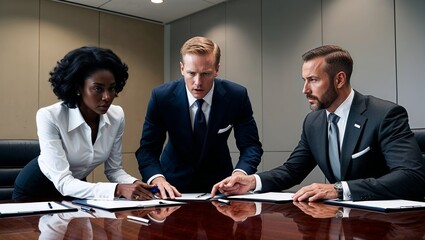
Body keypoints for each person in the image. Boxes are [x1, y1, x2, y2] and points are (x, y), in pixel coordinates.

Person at [211, 45, 425, 201]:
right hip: (343, 219)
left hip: (389, 225)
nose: (305, 89)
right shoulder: (313, 122)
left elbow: (412, 177)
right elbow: (292, 170)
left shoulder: (385, 115)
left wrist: (340, 189)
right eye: (304, 80)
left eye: (313, 80)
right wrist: (251, 182)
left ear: (339, 80)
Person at [13, 46, 155, 201]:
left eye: (112, 88)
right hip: (36, 190)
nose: (107, 97)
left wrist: (139, 186)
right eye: (98, 89)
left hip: (79, 189)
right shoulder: (49, 116)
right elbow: (63, 182)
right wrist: (118, 189)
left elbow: (114, 170)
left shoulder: (116, 115)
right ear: (79, 87)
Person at [135, 36, 263, 198]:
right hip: (172, 186)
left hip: (220, 187)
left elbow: (251, 146)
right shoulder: (161, 97)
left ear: (217, 69)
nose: (198, 82)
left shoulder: (237, 96)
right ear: (182, 68)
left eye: (206, 74)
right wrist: (157, 179)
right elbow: (147, 150)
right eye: (191, 73)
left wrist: (240, 173)